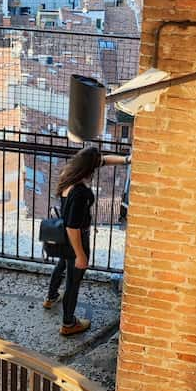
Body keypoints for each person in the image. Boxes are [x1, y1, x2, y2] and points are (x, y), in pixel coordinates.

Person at [43, 144, 129, 336]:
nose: (100, 164)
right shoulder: (80, 192)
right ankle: (68, 323)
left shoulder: (70, 173)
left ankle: (50, 297)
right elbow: (72, 227)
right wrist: (81, 254)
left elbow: (104, 160)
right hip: (76, 239)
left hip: (64, 240)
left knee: (62, 265)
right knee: (73, 281)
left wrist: (126, 160)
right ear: (89, 168)